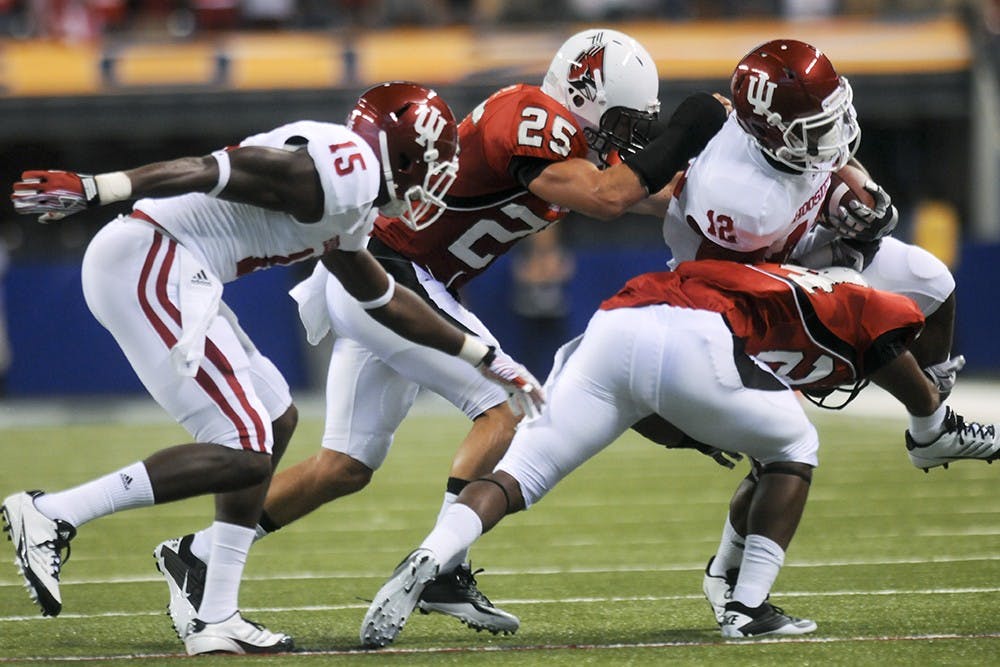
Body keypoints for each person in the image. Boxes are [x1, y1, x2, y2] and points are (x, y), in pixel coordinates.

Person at [149, 26, 731, 642]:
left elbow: (658, 193)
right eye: (622, 120)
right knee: (509, 402)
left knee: (345, 465)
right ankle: (445, 568)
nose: (628, 135)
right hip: (387, 275)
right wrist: (689, 126)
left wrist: (735, 165)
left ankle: (198, 554)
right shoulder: (532, 115)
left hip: (398, 280)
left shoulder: (578, 144)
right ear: (584, 94)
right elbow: (610, 197)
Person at [1, 81, 541, 655]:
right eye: (427, 166)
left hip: (175, 267)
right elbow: (211, 169)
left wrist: (481, 356)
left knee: (276, 418)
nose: (428, 183)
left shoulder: (355, 195)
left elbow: (381, 297)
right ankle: (55, 512)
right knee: (245, 445)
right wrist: (98, 187)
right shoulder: (349, 169)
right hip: (151, 257)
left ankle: (216, 616)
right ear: (402, 155)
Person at [360, 260, 998, 646]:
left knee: (517, 475)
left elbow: (644, 402)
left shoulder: (773, 287)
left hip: (614, 325)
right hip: (692, 334)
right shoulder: (855, 299)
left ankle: (432, 554)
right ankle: (747, 608)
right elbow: (888, 339)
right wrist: (930, 417)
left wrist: (693, 431)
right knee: (796, 443)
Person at [650, 38, 974, 629]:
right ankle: (731, 576)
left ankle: (930, 427)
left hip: (794, 250)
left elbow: (827, 162)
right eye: (815, 126)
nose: (832, 133)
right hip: (736, 297)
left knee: (932, 281)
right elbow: (748, 283)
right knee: (789, 431)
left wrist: (861, 201)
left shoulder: (784, 143)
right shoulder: (738, 197)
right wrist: (843, 257)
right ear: (769, 130)